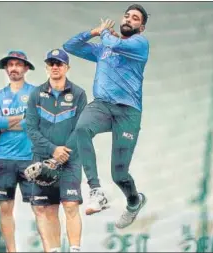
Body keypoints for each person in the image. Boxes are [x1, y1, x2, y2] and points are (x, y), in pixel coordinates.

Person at [62, 4, 150, 229]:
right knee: (81, 128)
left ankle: (134, 201)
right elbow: (69, 46)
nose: (129, 20)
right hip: (102, 106)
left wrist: (103, 34)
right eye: (127, 16)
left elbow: (113, 43)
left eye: (135, 18)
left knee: (119, 174)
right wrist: (93, 31)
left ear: (141, 27)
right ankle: (95, 190)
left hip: (128, 112)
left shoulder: (140, 44)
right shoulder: (104, 48)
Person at [26, 49, 87, 252]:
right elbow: (31, 129)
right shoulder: (36, 94)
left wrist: (63, 153)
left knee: (70, 205)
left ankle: (75, 249)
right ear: (46, 67)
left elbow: (81, 128)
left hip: (70, 160)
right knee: (47, 209)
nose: (55, 67)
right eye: (51, 63)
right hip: (43, 159)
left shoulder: (78, 94)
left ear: (67, 67)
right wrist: (53, 150)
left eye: (59, 63)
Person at [0, 50, 36, 252]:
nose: (14, 68)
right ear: (6, 69)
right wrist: (22, 118)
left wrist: (7, 124)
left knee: (41, 208)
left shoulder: (36, 92)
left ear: (25, 68)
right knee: (5, 209)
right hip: (3, 158)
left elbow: (34, 122)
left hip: (30, 159)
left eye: (18, 64)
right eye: (10, 65)